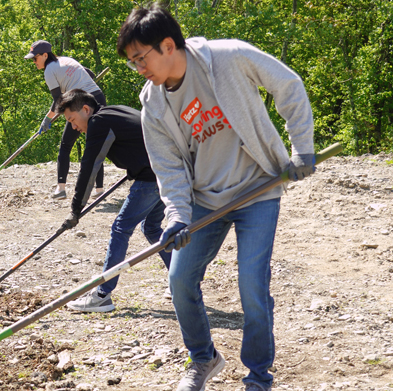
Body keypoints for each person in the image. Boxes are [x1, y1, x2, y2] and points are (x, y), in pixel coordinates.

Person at [117, 4, 316, 391]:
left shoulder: (227, 57)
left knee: (251, 288)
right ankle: (204, 358)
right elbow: (169, 168)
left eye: (141, 59)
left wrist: (302, 148)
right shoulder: (153, 106)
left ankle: (258, 377)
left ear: (168, 45)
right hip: (206, 201)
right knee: (179, 280)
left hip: (258, 189)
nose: (139, 69)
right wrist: (177, 215)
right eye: (132, 62)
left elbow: (287, 84)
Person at [53, 89, 172, 313]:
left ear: (85, 110)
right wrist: (135, 164)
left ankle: (102, 295)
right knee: (152, 227)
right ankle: (181, 280)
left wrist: (75, 209)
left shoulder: (99, 122)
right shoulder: (113, 112)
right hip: (168, 171)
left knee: (120, 228)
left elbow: (89, 166)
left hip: (152, 177)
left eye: (72, 119)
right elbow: (138, 141)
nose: (73, 127)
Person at [24, 40, 106, 199]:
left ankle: (61, 189)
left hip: (81, 104)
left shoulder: (49, 70)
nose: (34, 62)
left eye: (35, 58)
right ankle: (99, 190)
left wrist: (46, 119)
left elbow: (58, 100)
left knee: (66, 145)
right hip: (97, 97)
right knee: (95, 143)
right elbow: (90, 74)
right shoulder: (67, 60)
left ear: (45, 55)